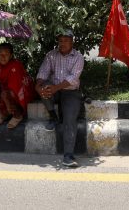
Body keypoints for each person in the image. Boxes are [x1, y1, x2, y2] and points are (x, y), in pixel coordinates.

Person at [35, 29, 84, 168]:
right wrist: (37, 86)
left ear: (72, 42)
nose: (62, 43)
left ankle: (68, 156)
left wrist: (56, 87)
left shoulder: (78, 57)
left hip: (70, 92)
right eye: (60, 41)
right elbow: (43, 71)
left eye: (66, 41)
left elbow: (73, 78)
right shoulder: (51, 55)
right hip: (55, 90)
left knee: (70, 120)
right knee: (44, 88)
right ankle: (53, 116)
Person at [0, 42, 35, 129]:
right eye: (1, 54)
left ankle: (17, 115)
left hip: (21, 91)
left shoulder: (16, 65)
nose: (3, 57)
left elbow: (17, 87)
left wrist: (4, 94)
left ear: (11, 55)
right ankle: (4, 113)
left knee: (5, 94)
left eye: (6, 54)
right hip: (7, 89)